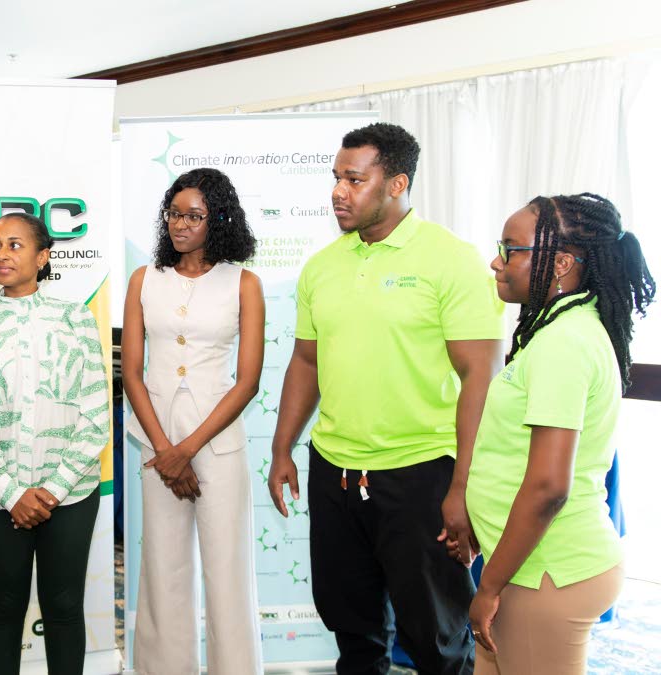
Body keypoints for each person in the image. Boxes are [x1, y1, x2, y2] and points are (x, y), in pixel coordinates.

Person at [268, 122, 504, 675]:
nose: (337, 192)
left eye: (354, 178)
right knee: (353, 630)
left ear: (397, 183)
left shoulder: (451, 259)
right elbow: (306, 361)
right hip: (335, 472)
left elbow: (481, 377)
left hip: (420, 474)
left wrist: (463, 486)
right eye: (336, 178)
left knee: (437, 639)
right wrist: (283, 449)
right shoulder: (323, 266)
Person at [464, 193, 655, 674]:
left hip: (546, 572)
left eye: (511, 248)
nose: (496, 261)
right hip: (529, 564)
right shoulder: (562, 329)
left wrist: (489, 587)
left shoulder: (564, 344)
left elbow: (548, 487)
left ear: (562, 263)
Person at [0, 212, 109, 674]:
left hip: (71, 495)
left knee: (63, 608)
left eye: (15, 245)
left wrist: (51, 489)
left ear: (43, 257)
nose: (1, 254)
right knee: (2, 610)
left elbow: (95, 416)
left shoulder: (75, 319)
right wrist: (13, 492)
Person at [123, 167, 264, 673]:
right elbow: (132, 374)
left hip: (218, 443)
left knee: (227, 571)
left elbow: (247, 380)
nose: (180, 225)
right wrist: (166, 450)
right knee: (163, 568)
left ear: (218, 220)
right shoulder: (144, 279)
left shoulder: (243, 283)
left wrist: (187, 450)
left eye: (194, 216)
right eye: (174, 214)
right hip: (155, 440)